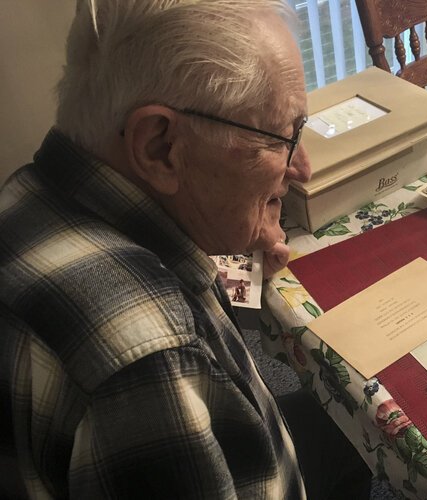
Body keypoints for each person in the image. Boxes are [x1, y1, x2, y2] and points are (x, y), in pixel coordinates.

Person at [0, 1, 370, 498]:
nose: (301, 166)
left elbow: (186, 304)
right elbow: (167, 345)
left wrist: (239, 248)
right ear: (159, 146)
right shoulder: (152, 361)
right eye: (284, 135)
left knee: (347, 425)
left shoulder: (35, 191)